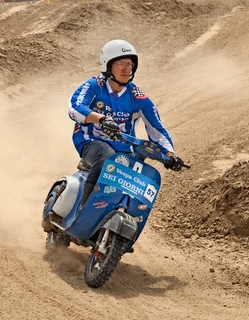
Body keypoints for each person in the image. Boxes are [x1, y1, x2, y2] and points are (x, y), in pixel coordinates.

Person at [68, 39, 184, 210]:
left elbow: (157, 129)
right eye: (121, 63)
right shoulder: (95, 85)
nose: (126, 69)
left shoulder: (137, 97)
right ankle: (83, 209)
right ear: (107, 65)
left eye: (130, 64)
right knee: (107, 158)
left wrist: (171, 155)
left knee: (139, 177)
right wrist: (101, 119)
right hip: (90, 141)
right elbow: (74, 107)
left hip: (124, 149)